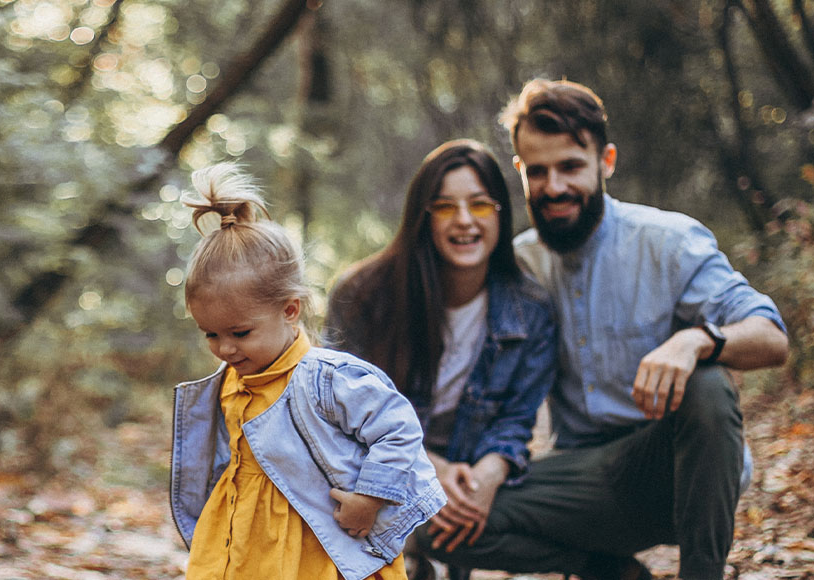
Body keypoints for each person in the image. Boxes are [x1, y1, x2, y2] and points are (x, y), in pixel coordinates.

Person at [425, 79, 790, 580]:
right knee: (432, 520)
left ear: (606, 161)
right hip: (581, 483)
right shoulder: (517, 266)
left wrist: (696, 340)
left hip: (679, 474)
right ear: (520, 172)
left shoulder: (668, 242)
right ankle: (608, 570)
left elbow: (772, 337)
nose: (554, 187)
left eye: (571, 166)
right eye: (538, 171)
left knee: (707, 384)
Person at [169, 163, 447, 580]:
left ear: (290, 310)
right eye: (210, 334)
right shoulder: (231, 382)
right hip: (244, 542)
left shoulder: (327, 379)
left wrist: (370, 497)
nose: (224, 349)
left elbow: (398, 429)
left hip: (315, 548)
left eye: (240, 333)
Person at [324, 140, 558, 577]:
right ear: (423, 217)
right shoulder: (363, 295)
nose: (465, 221)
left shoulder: (532, 309)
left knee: (539, 510)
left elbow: (515, 421)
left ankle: (601, 566)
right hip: (377, 471)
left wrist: (487, 476)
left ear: (500, 213)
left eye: (480, 204)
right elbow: (336, 414)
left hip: (471, 473)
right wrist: (429, 469)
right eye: (446, 207)